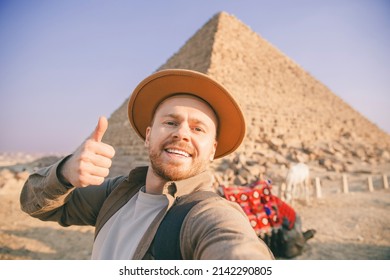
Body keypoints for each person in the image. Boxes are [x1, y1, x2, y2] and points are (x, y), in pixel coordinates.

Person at [20, 69, 274, 260]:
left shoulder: (208, 216)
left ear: (213, 150)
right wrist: (63, 174)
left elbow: (237, 249)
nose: (182, 134)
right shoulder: (116, 194)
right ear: (148, 135)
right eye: (171, 123)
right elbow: (35, 204)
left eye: (198, 128)